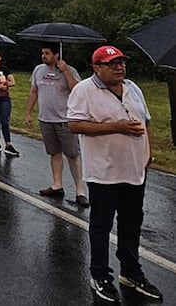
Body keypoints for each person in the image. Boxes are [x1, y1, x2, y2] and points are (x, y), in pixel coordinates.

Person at [67, 46, 162, 303]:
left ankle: (131, 272)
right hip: (104, 172)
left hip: (134, 169)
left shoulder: (132, 87)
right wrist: (116, 127)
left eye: (121, 62)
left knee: (131, 223)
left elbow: (147, 122)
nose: (119, 67)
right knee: (102, 225)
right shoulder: (84, 90)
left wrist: (147, 155)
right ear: (97, 67)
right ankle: (100, 275)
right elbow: (74, 124)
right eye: (111, 63)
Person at [24, 44, 88, 207]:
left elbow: (77, 90)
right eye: (42, 53)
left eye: (47, 53)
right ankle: (57, 185)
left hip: (65, 120)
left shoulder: (69, 70)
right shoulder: (39, 70)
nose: (44, 56)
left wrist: (65, 70)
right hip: (46, 119)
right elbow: (34, 91)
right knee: (54, 153)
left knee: (73, 155)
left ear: (56, 54)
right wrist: (28, 113)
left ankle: (80, 191)